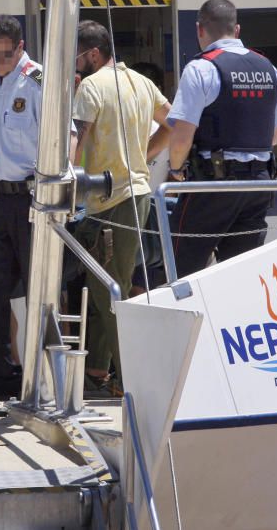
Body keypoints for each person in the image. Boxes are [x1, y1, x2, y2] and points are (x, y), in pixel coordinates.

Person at [0, 15, 75, 401]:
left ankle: (46, 377)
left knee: (39, 290)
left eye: (5, 54)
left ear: (21, 46)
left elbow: (67, 142)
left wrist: (58, 200)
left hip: (32, 201)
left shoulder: (41, 83)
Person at [72, 21, 172, 396]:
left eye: (78, 56)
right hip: (137, 195)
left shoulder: (91, 88)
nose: (76, 64)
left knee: (110, 293)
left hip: (108, 202)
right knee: (103, 290)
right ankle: (99, 371)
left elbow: (76, 139)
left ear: (93, 54)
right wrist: (142, 158)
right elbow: (173, 122)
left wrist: (65, 183)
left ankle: (131, 381)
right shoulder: (141, 83)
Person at [164, 0, 277, 278]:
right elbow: (273, 137)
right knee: (242, 273)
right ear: (237, 29)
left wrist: (174, 172)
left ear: (199, 30)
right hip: (258, 185)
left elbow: (181, 138)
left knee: (181, 269)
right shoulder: (271, 70)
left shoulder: (201, 69)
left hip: (213, 185)